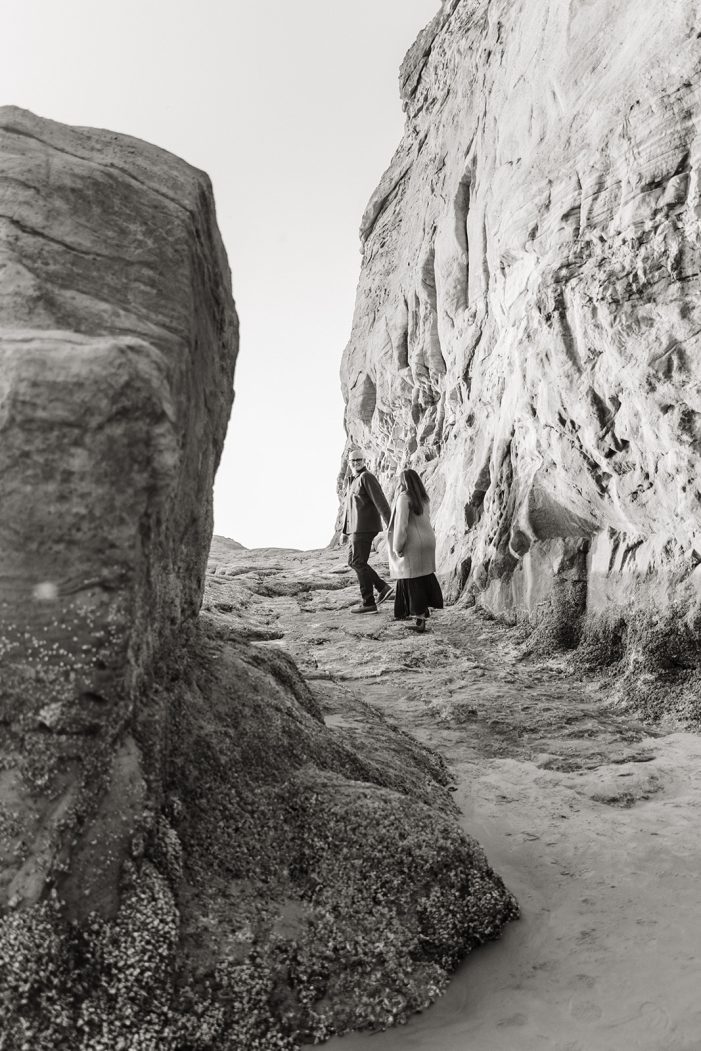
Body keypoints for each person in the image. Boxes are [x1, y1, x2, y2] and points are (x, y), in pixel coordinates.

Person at [387, 468, 443, 632]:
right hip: (428, 541)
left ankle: (420, 620)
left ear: (403, 482)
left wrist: (397, 547)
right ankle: (421, 615)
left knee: (412, 580)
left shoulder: (404, 498)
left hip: (413, 543)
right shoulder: (424, 498)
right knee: (423, 576)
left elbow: (402, 525)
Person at [342, 448, 394, 614]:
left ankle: (369, 602)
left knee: (358, 562)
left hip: (364, 528)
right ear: (349, 463)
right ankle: (382, 588)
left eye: (359, 460)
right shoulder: (353, 480)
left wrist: (391, 524)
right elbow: (350, 509)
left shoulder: (367, 477)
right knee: (353, 562)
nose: (356, 463)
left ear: (364, 461)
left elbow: (381, 501)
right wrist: (345, 531)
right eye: (353, 461)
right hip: (354, 529)